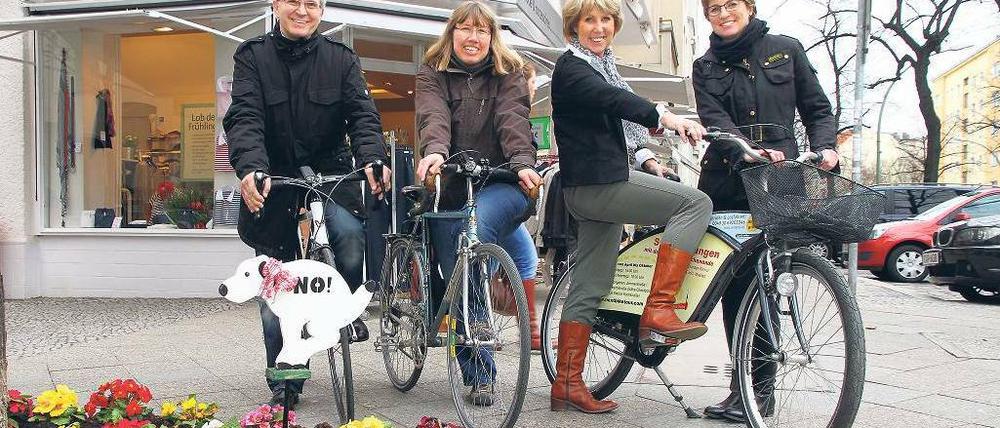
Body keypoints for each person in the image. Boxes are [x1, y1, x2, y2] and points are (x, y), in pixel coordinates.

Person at [223, 0, 391, 409]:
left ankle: (343, 310)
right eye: (293, 1)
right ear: (277, 4)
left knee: (349, 233)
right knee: (275, 284)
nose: (302, 10)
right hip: (274, 174)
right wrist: (251, 168)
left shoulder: (341, 59)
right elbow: (244, 118)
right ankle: (285, 378)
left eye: (312, 3)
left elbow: (363, 116)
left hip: (330, 170)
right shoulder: (252, 57)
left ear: (322, 8)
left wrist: (373, 157)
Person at [549, 0, 712, 414]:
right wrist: (665, 117)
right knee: (695, 204)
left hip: (591, 189)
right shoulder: (573, 68)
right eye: (589, 20)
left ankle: (567, 385)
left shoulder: (603, 65)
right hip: (599, 185)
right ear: (574, 26)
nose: (598, 27)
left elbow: (619, 123)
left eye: (606, 19)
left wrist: (649, 161)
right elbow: (614, 100)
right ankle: (658, 310)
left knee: (590, 284)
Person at [691, 0, 838, 422]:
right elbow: (714, 119)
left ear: (749, 8)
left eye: (731, 5)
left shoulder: (786, 49)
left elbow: (817, 108)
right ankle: (746, 390)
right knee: (737, 285)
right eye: (714, 8)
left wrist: (825, 146)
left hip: (782, 177)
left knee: (772, 280)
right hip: (728, 179)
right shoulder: (705, 66)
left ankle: (761, 389)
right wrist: (745, 150)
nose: (723, 13)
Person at [414, 0, 542, 407]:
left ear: (492, 36)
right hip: (450, 185)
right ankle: (476, 370)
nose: (473, 37)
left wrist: (522, 163)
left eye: (481, 30)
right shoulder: (432, 72)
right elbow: (433, 116)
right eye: (465, 29)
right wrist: (435, 152)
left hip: (503, 182)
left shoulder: (510, 72)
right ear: (452, 33)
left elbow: (512, 119)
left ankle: (482, 355)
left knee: (476, 227)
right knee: (455, 270)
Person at [498, 62, 542, 351]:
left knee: (524, 256)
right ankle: (528, 331)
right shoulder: (512, 110)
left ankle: (530, 330)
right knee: (517, 257)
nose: (535, 88)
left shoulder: (519, 112)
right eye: (533, 82)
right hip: (494, 191)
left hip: (505, 195)